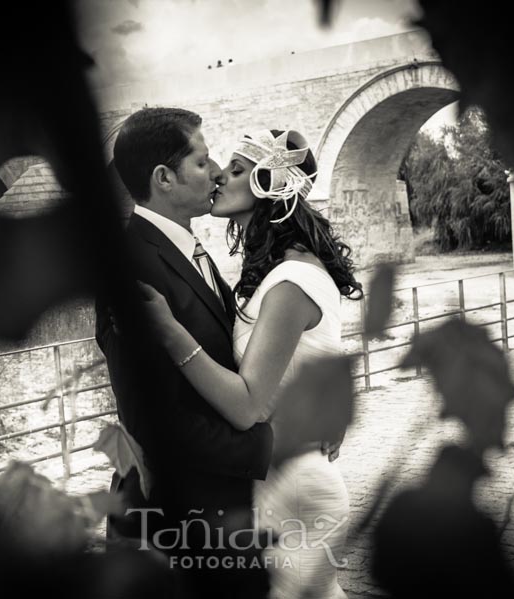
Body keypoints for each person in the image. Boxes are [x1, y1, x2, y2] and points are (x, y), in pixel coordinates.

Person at [141, 128, 362, 599]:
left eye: (236, 170)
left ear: (270, 186)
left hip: (296, 486)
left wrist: (167, 328)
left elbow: (247, 407)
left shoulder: (291, 280)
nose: (219, 176)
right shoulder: (274, 272)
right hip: (273, 480)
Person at [94, 107, 273, 599]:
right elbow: (148, 417)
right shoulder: (132, 266)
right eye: (202, 161)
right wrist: (262, 444)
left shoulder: (186, 249)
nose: (216, 172)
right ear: (164, 178)